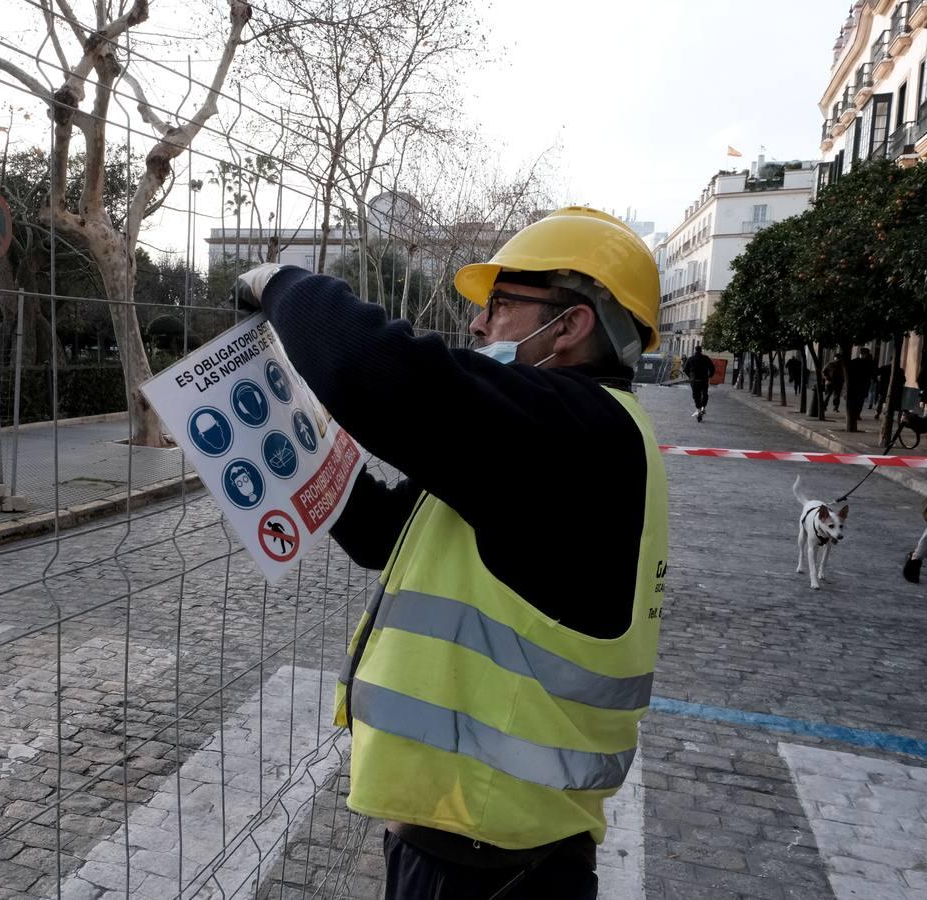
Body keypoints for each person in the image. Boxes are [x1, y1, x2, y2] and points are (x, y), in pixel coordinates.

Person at [234, 207, 668, 900]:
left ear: (573, 322)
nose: (476, 325)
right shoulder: (538, 445)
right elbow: (382, 532)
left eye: (499, 305)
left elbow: (370, 364)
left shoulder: (574, 431)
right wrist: (273, 435)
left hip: (494, 861)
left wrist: (278, 283)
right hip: (478, 840)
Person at [683, 347, 715, 422]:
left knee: (696, 395)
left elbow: (685, 369)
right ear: (701, 351)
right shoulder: (706, 358)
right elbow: (712, 368)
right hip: (704, 380)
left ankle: (698, 409)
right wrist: (710, 375)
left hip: (694, 380)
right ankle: (703, 407)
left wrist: (690, 376)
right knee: (705, 393)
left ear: (695, 350)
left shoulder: (691, 358)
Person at [847, 348, 875, 423]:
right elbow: (873, 373)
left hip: (858, 384)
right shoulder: (869, 363)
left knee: (858, 400)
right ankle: (856, 414)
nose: (863, 355)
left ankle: (855, 413)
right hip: (861, 384)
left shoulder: (855, 361)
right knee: (859, 400)